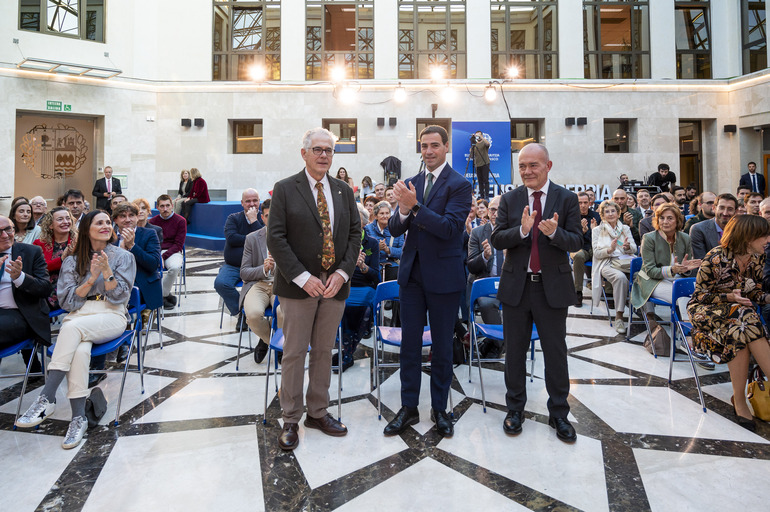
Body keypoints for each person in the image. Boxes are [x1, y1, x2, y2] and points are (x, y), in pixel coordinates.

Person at [266, 127, 360, 451]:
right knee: (294, 353)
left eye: (329, 151)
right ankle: (290, 419)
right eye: (318, 149)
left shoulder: (343, 191)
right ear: (304, 153)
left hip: (334, 287)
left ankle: (317, 412)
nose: (324, 155)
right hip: (298, 288)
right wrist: (303, 277)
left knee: (323, 352)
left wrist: (343, 273)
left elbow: (354, 236)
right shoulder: (284, 189)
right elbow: (275, 239)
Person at [15, 210, 136, 449]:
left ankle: (46, 397)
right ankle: (78, 418)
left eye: (107, 222)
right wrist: (90, 279)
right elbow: (67, 302)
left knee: (71, 330)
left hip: (111, 314)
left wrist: (106, 271)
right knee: (79, 351)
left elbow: (121, 295)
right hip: (79, 314)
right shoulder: (72, 260)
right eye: (99, 222)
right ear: (86, 229)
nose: (105, 226)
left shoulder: (123, 257)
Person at [383, 125, 471, 439]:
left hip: (444, 278)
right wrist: (405, 209)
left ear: (446, 147)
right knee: (409, 345)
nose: (429, 151)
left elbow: (450, 228)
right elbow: (394, 227)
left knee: (442, 346)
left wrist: (415, 206)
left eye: (435, 145)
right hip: (412, 277)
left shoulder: (460, 185)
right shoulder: (412, 183)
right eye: (424, 146)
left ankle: (440, 409)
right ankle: (408, 408)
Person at [490, 143, 582, 442]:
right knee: (514, 352)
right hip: (517, 289)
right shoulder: (510, 198)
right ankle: (515, 409)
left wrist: (554, 233)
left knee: (555, 354)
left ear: (548, 166)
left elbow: (577, 242)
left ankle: (559, 414)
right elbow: (497, 239)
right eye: (523, 167)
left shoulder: (566, 199)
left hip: (551, 289)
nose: (527, 171)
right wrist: (522, 231)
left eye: (534, 166)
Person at [689, 215, 770, 432]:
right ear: (748, 236)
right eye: (763, 235)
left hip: (737, 319)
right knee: (743, 316)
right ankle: (740, 400)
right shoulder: (715, 257)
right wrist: (729, 298)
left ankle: (740, 400)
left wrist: (767, 297)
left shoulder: (757, 258)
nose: (768, 240)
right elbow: (700, 297)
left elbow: (754, 291)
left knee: (740, 327)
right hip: (705, 313)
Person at [630, 203, 702, 355]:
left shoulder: (685, 238)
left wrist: (686, 270)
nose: (665, 222)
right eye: (661, 218)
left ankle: (701, 337)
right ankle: (688, 340)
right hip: (651, 281)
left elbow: (685, 270)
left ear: (677, 221)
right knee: (682, 298)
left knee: (700, 295)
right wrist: (672, 270)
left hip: (676, 278)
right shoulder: (649, 238)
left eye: (670, 218)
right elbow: (649, 270)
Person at [0, 214, 51, 373]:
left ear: (14, 229)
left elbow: (45, 288)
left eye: (7, 229)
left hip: (23, 314)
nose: (4, 235)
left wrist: (20, 278)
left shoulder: (31, 252)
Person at [338, 204, 380, 372]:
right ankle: (348, 352)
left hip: (365, 287)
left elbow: (376, 277)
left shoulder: (372, 243)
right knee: (341, 305)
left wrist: (362, 266)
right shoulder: (339, 241)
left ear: (363, 223)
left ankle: (348, 352)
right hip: (343, 285)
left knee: (365, 308)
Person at [240, 199, 281, 363]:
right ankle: (269, 341)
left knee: (283, 313)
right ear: (262, 218)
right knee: (253, 315)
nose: (271, 220)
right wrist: (263, 269)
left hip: (282, 285)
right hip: (258, 284)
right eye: (267, 216)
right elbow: (244, 272)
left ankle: (280, 345)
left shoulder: (291, 238)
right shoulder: (252, 238)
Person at [216, 189, 263, 321]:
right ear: (242, 203)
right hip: (234, 265)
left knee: (262, 289)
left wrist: (254, 221)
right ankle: (242, 314)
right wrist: (253, 239)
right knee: (221, 284)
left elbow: (263, 241)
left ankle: (250, 315)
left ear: (259, 201)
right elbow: (231, 238)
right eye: (248, 201)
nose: (251, 204)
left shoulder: (264, 218)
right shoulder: (233, 218)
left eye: (255, 200)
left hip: (257, 267)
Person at [592, 200, 637, 333]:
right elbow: (597, 253)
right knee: (620, 278)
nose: (610, 214)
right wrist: (610, 249)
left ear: (618, 214)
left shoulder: (625, 228)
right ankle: (619, 316)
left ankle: (649, 315)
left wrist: (628, 247)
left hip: (626, 261)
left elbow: (634, 248)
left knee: (644, 276)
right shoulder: (597, 230)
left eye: (613, 211)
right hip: (607, 262)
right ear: (603, 215)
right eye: (607, 211)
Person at [467, 195, 504, 356]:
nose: (495, 213)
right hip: (484, 285)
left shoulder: (514, 232)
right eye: (493, 210)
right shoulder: (478, 233)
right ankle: (501, 343)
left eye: (500, 210)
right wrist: (485, 256)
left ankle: (493, 343)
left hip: (508, 284)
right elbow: (471, 266)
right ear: (488, 212)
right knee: (488, 304)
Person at [33, 207, 77, 310]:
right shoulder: (39, 244)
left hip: (73, 290)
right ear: (51, 225)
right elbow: (38, 268)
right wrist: (61, 259)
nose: (65, 222)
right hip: (45, 292)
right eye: (60, 219)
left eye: (68, 218)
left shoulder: (80, 241)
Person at [149, 195, 187, 309]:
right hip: (157, 250)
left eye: (167, 206)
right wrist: (159, 256)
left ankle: (161, 295)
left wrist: (164, 256)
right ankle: (163, 295)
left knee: (175, 267)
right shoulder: (152, 221)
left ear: (172, 206)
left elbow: (178, 244)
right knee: (147, 266)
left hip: (173, 251)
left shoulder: (180, 221)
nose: (165, 209)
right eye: (162, 206)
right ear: (157, 207)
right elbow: (152, 243)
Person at [571, 191, 601, 306]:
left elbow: (602, 235)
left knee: (609, 253)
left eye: (585, 202)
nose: (582, 205)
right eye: (579, 203)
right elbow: (570, 237)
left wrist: (595, 231)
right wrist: (582, 232)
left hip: (595, 248)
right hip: (579, 247)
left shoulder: (597, 216)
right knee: (578, 256)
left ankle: (608, 291)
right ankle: (578, 292)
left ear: (590, 203)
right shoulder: (571, 217)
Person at [690, 193, 738, 259]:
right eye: (721, 208)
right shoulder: (699, 229)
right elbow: (700, 261)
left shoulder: (741, 230)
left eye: (730, 209)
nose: (725, 213)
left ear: (736, 211)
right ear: (714, 208)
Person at [365, 201, 404, 281]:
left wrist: (388, 250)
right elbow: (364, 252)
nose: (385, 216)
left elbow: (403, 252)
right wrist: (376, 248)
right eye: (382, 213)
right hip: (373, 266)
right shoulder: (367, 229)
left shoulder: (397, 229)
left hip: (392, 266)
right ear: (376, 216)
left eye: (387, 213)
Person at [471, 130, 491, 199]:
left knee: (486, 180)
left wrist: (481, 137)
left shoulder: (484, 142)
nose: (478, 137)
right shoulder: (475, 145)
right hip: (477, 165)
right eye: (477, 136)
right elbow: (471, 155)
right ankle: (482, 196)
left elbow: (488, 144)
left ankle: (487, 196)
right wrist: (472, 143)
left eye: (479, 135)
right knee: (480, 181)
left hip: (485, 163)